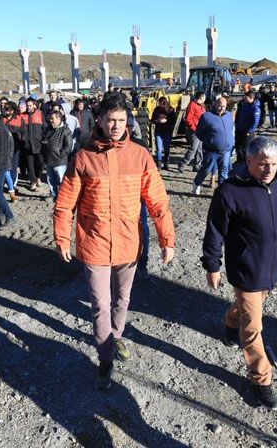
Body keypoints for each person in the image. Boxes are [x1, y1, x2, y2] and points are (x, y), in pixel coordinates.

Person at [54, 92, 175, 389]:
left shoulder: (139, 155)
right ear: (100, 121)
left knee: (122, 299)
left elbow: (157, 201)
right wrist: (62, 237)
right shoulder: (84, 158)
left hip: (128, 243)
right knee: (100, 304)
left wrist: (166, 238)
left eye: (122, 120)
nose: (117, 126)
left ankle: (116, 337)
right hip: (94, 243)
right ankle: (105, 358)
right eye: (111, 120)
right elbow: (65, 202)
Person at [202, 136, 277, 411]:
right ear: (248, 161)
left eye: (275, 164)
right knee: (254, 326)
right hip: (246, 269)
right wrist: (212, 265)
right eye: (263, 164)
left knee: (248, 308)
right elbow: (215, 231)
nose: (270, 170)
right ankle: (261, 381)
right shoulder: (230, 191)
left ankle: (230, 324)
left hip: (275, 266)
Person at [192, 96, 234, 195]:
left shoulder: (228, 115)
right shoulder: (206, 116)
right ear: (215, 104)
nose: (221, 108)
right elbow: (199, 133)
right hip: (211, 151)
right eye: (220, 105)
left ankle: (222, 192)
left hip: (226, 150)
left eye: (224, 106)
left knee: (224, 172)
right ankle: (196, 183)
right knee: (206, 170)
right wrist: (210, 141)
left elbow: (230, 128)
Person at [42, 109, 73, 199]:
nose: (51, 120)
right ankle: (53, 195)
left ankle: (63, 196)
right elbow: (45, 139)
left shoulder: (66, 131)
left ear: (59, 119)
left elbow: (68, 146)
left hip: (60, 161)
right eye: (50, 118)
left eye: (52, 118)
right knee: (50, 180)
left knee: (61, 180)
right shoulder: (49, 129)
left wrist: (59, 155)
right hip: (49, 159)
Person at [178, 91, 207, 174]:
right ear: (201, 98)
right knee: (193, 148)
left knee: (200, 149)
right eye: (204, 98)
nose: (205, 99)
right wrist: (195, 129)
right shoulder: (192, 105)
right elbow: (188, 119)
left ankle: (197, 165)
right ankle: (183, 164)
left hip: (201, 131)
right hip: (195, 131)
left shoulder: (202, 106)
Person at [22, 97, 45, 191]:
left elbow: (45, 128)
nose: (28, 107)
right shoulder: (23, 116)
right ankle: (33, 181)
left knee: (41, 162)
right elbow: (20, 129)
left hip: (38, 143)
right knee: (30, 164)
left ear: (35, 105)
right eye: (27, 105)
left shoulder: (40, 114)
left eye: (30, 105)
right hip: (27, 144)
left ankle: (38, 177)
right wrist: (23, 139)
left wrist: (44, 138)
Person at [150, 96, 176, 170]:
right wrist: (157, 121)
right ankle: (159, 164)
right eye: (160, 103)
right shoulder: (156, 110)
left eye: (163, 103)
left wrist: (166, 121)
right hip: (159, 131)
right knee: (159, 148)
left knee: (167, 148)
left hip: (167, 131)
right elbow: (152, 120)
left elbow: (173, 120)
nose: (162, 105)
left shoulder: (170, 109)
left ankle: (166, 164)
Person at [234, 91, 261, 163]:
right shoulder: (244, 105)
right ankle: (239, 160)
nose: (244, 99)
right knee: (238, 146)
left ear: (251, 98)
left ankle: (246, 163)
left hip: (248, 132)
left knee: (246, 148)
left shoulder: (255, 108)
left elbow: (255, 122)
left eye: (246, 98)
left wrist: (250, 131)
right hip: (240, 129)